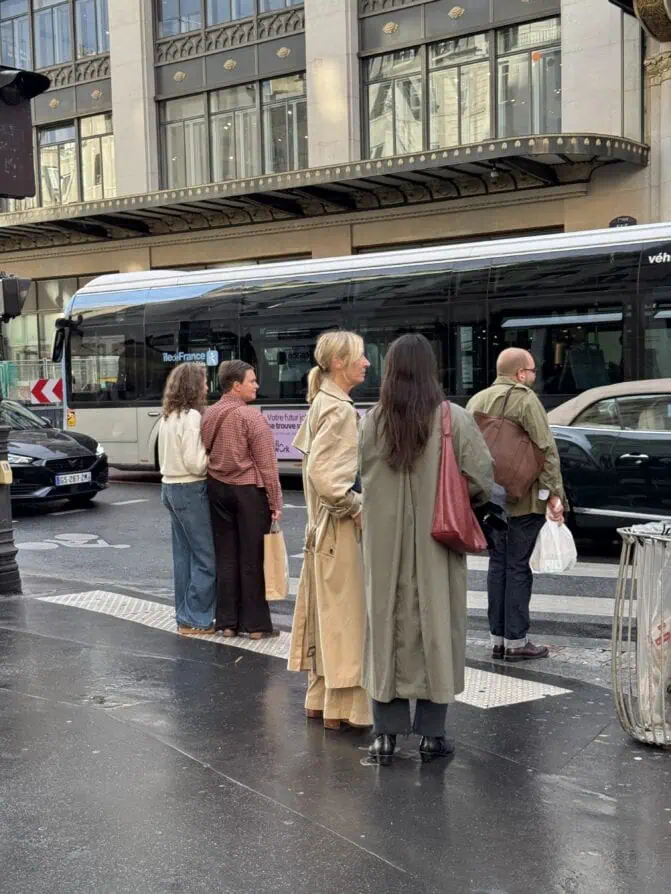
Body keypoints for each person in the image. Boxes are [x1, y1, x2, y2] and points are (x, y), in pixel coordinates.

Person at [359, 334, 493, 765]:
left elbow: (360, 474)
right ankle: (432, 735)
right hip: (438, 542)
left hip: (383, 545)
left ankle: (384, 735)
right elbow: (480, 479)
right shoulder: (452, 418)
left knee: (385, 627)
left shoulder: (373, 421)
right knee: (438, 627)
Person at [288, 331, 373, 731]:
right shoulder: (339, 410)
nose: (367, 363)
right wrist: (356, 507)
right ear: (339, 362)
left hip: (319, 529)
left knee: (329, 623)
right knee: (348, 623)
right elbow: (328, 478)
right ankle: (347, 710)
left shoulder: (322, 402)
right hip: (338, 531)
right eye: (360, 356)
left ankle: (323, 701)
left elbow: (313, 469)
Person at [467, 347, 565, 662]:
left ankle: (498, 638)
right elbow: (545, 448)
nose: (534, 376)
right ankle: (517, 641)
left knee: (498, 566)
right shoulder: (525, 399)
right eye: (532, 370)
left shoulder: (476, 401)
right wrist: (554, 493)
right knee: (517, 567)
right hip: (522, 501)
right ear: (521, 373)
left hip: (489, 500)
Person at [201, 360, 282, 639]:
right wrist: (275, 502)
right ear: (236, 385)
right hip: (247, 491)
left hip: (216, 487)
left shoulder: (209, 414)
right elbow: (267, 465)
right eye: (252, 380)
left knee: (225, 556)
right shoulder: (251, 417)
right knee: (252, 558)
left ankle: (226, 622)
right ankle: (257, 625)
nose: (257, 385)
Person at [158, 362, 216, 635]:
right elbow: (195, 464)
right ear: (194, 386)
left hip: (169, 487)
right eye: (204, 382)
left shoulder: (168, 416)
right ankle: (196, 618)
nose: (207, 386)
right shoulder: (192, 417)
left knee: (183, 557)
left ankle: (184, 616)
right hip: (190, 488)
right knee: (206, 558)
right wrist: (211, 457)